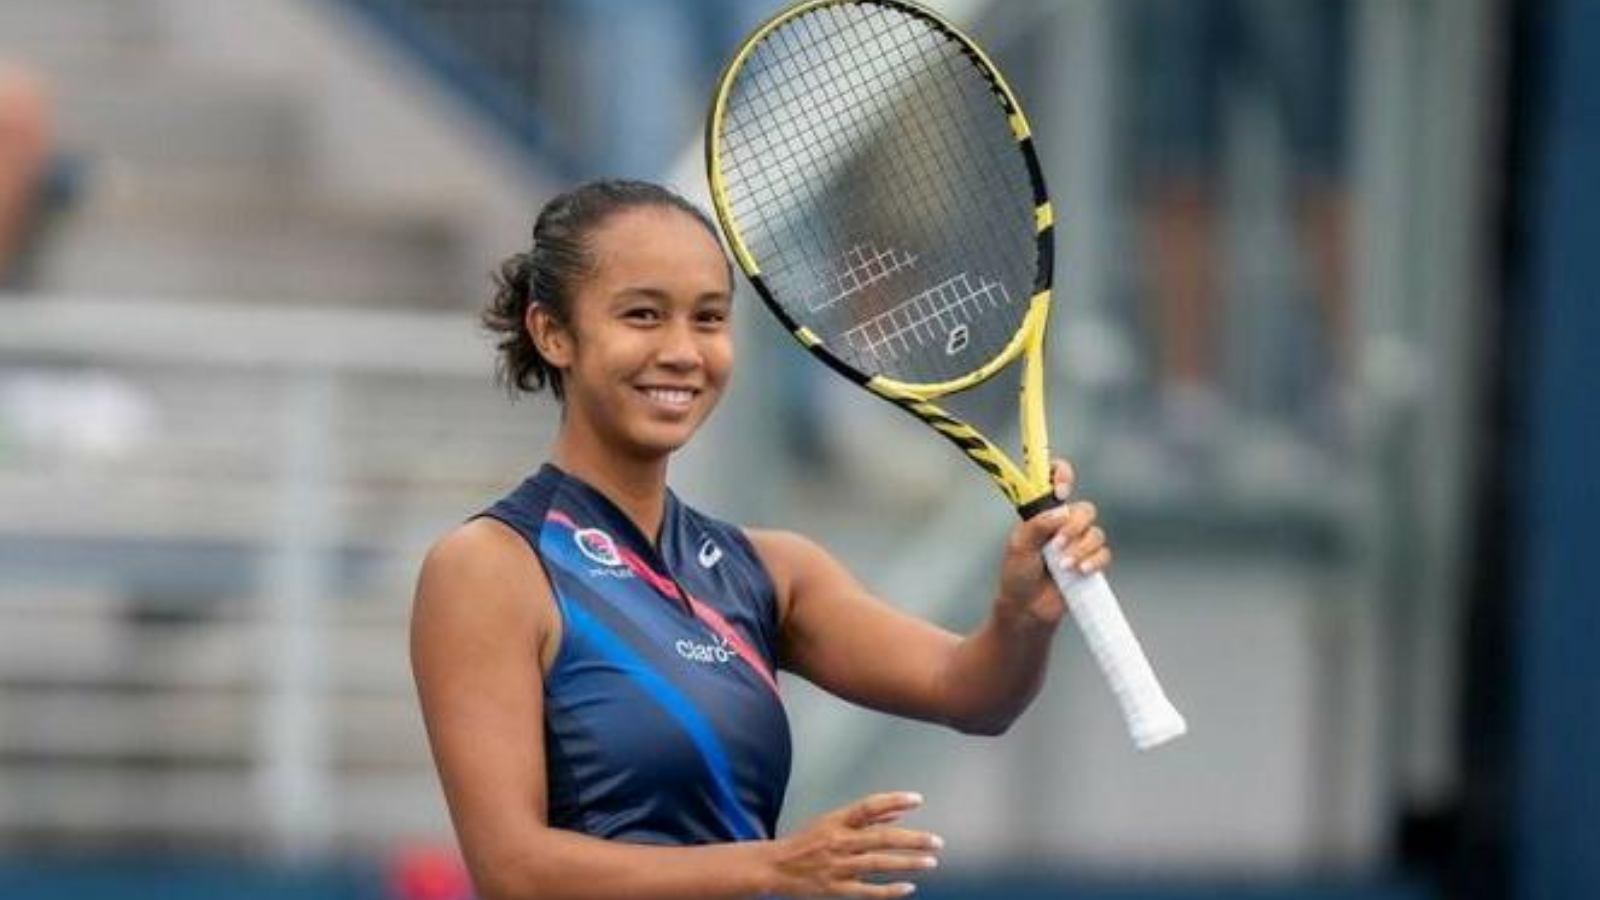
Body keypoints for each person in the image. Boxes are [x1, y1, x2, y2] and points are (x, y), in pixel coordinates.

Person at [410, 180, 1112, 900]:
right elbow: (513, 872)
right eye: (643, 315)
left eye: (708, 319)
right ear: (552, 332)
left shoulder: (773, 571)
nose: (683, 351)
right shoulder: (489, 569)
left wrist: (1019, 616)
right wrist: (772, 866)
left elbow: (973, 693)